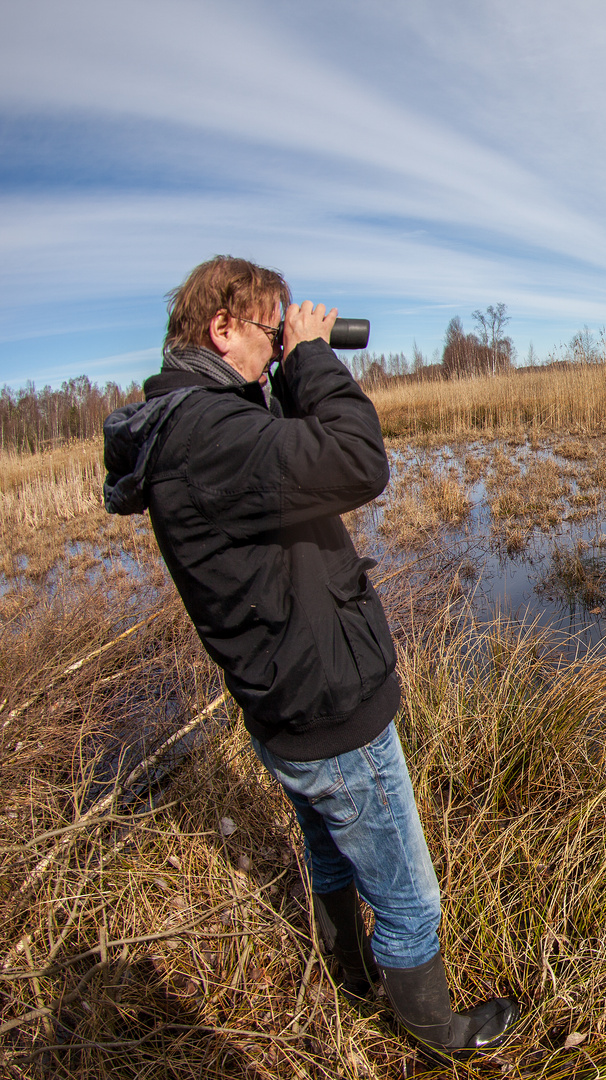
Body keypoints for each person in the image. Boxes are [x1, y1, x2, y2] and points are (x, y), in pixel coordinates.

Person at [102, 256, 516, 1056]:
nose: (283, 338)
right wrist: (317, 357)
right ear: (222, 329)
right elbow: (359, 461)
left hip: (286, 700)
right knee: (408, 896)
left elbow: (294, 458)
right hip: (329, 706)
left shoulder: (191, 426)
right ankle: (438, 1038)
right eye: (272, 326)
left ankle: (351, 979)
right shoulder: (207, 434)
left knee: (330, 847)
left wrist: (288, 367)